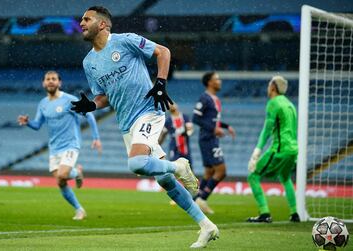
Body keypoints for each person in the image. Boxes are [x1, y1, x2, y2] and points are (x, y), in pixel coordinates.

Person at [71, 6, 219, 248]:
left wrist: (160, 84)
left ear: (103, 24)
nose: (81, 22)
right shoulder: (89, 63)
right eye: (82, 19)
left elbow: (163, 52)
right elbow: (103, 97)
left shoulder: (125, 41)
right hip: (127, 124)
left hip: (149, 111)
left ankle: (179, 165)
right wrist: (91, 105)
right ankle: (206, 226)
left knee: (136, 163)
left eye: (87, 19)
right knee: (165, 181)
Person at [17, 70, 102, 220]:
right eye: (48, 79)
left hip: (71, 144)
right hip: (54, 148)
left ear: (59, 83)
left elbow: (88, 114)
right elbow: (37, 125)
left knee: (63, 174)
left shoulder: (69, 100)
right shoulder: (43, 104)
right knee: (60, 181)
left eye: (54, 79)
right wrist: (28, 123)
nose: (51, 81)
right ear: (43, 83)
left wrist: (96, 137)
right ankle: (79, 209)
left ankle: (77, 173)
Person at [247, 75, 300, 223]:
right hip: (293, 149)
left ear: (272, 87)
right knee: (285, 178)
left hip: (280, 149)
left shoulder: (273, 103)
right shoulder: (290, 105)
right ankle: (294, 213)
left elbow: (267, 130)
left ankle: (264, 213)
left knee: (253, 175)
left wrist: (257, 152)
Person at [192, 72, 236, 214]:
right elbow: (196, 118)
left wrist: (226, 126)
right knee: (221, 171)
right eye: (217, 79)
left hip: (211, 137)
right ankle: (202, 199)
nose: (220, 81)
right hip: (208, 138)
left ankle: (195, 201)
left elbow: (213, 120)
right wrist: (214, 129)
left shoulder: (215, 99)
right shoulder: (204, 98)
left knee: (209, 171)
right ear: (210, 82)